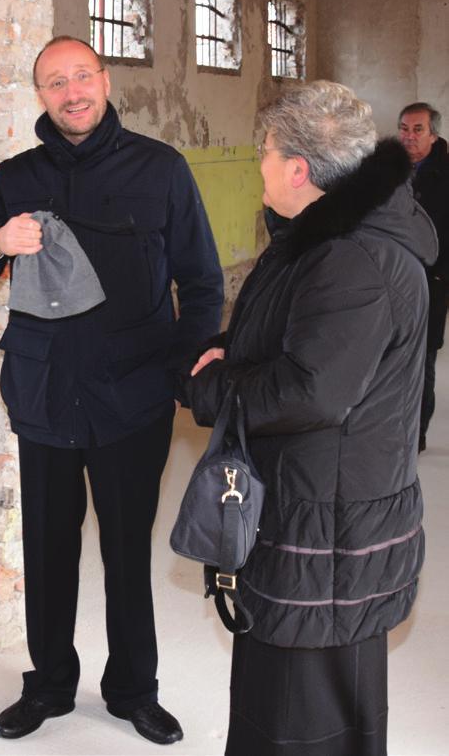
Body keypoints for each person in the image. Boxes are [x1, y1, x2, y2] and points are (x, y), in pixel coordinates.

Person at [0, 36, 223, 745]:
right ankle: (50, 686)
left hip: (134, 398)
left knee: (128, 550)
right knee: (48, 550)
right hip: (44, 395)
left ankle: (133, 690)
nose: (72, 92)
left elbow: (204, 280)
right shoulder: (17, 176)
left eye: (82, 77)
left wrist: (184, 370)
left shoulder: (161, 169)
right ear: (40, 94)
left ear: (104, 79)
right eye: (55, 82)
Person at [187, 81, 432, 756]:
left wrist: (215, 389)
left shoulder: (352, 257)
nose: (259, 162)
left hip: (330, 528)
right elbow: (305, 342)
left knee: (307, 719)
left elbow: (312, 391)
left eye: (265, 151)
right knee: (292, 705)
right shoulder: (323, 236)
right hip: (315, 512)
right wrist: (236, 352)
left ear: (299, 168)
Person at [398, 101, 449, 451]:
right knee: (391, 356)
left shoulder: (445, 174)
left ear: (433, 134)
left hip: (432, 282)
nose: (409, 136)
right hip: (393, 279)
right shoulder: (387, 172)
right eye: (404, 128)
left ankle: (416, 435)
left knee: (424, 359)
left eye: (418, 130)